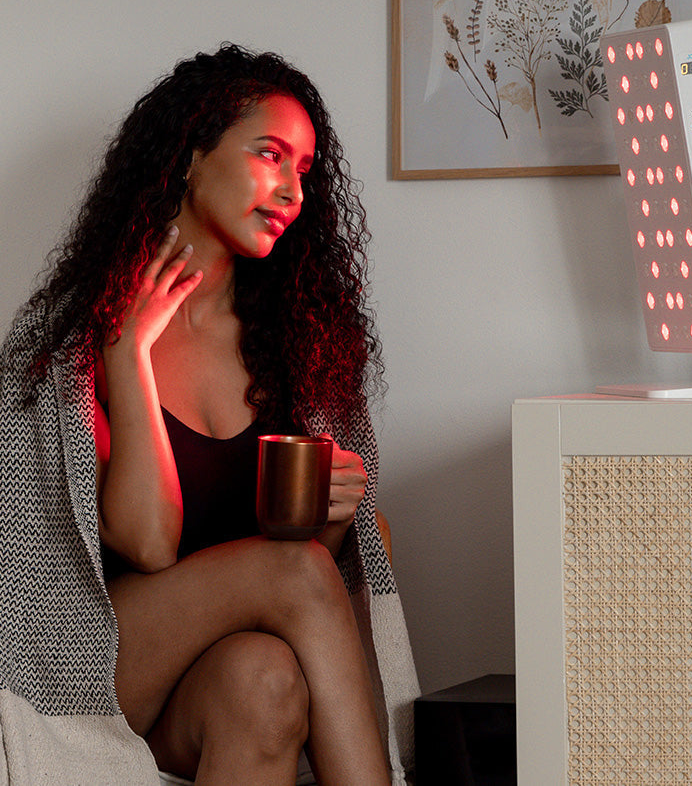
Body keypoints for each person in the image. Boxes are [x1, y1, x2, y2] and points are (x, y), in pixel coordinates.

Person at [0, 45, 418, 785]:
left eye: (305, 170)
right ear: (191, 156)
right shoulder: (66, 352)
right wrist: (127, 356)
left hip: (219, 681)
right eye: (270, 154)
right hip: (101, 670)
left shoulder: (304, 356)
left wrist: (331, 510)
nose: (292, 189)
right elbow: (149, 545)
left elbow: (305, 564)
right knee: (293, 574)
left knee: (263, 681)